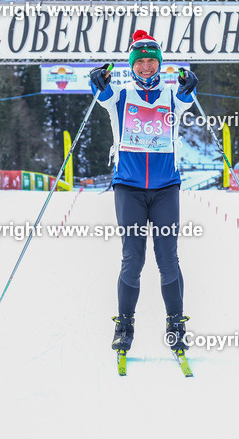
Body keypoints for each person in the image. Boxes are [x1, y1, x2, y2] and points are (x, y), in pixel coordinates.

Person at [89, 29, 199, 355]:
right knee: (132, 259)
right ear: (132, 65)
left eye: (152, 61)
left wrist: (188, 86)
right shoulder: (120, 96)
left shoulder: (170, 97)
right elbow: (102, 93)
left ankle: (176, 325)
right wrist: (98, 80)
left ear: (160, 64)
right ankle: (124, 326)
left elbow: (185, 98)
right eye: (141, 62)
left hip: (166, 188)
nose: (147, 67)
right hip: (129, 188)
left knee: (168, 258)